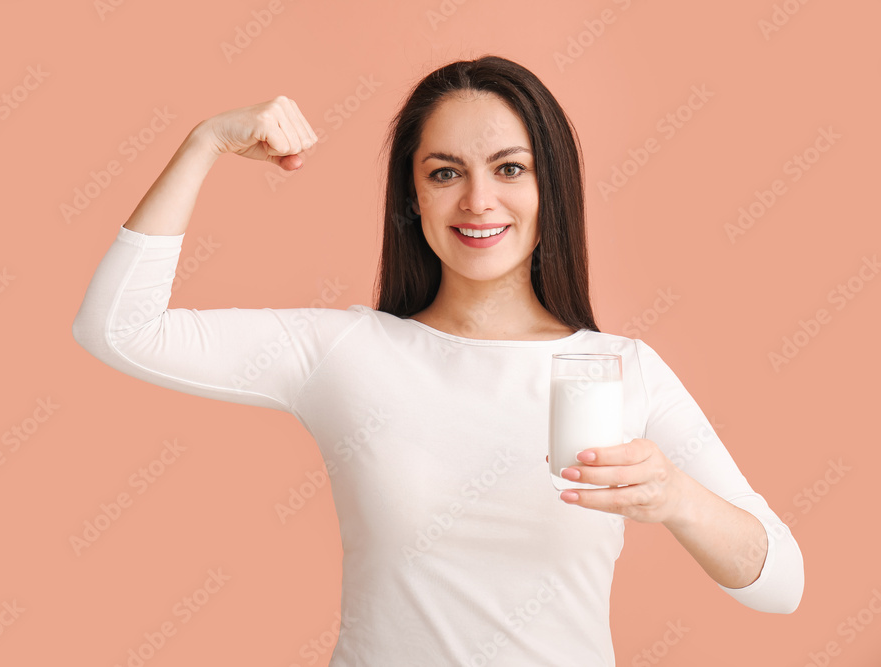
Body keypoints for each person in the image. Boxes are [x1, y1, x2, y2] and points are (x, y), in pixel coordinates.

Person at [71, 54, 803, 666]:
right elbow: (118, 327)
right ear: (413, 197)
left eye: (509, 168)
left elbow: (780, 581)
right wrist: (205, 142)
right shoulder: (349, 353)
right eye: (445, 173)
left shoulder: (621, 369)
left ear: (551, 189)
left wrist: (675, 497)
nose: (478, 201)